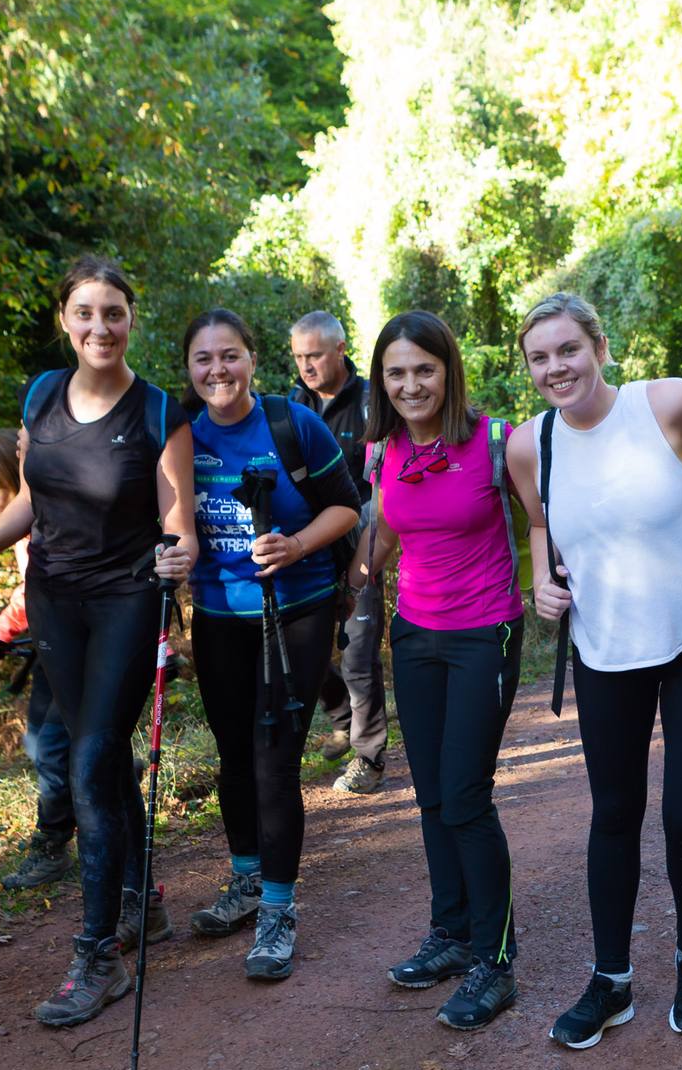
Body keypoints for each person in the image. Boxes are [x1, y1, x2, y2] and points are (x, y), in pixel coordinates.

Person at [0, 255, 196, 1028]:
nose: (99, 327)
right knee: (103, 759)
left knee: (88, 761)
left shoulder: (158, 415)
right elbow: (28, 501)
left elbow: (176, 518)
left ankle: (95, 957)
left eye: (113, 313)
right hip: (55, 602)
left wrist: (178, 553)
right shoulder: (41, 396)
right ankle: (139, 902)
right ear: (65, 319)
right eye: (85, 313)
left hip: (125, 600)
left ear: (130, 320)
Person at [505, 291, 682, 1050]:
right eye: (539, 358)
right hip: (605, 644)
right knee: (612, 815)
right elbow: (543, 524)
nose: (556, 368)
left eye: (567, 350)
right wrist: (542, 584)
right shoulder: (529, 444)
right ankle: (610, 981)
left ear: (600, 347)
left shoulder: (665, 405)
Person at [350, 310, 527, 1030]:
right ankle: (450, 936)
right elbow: (389, 525)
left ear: (447, 371)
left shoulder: (494, 441)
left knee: (464, 796)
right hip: (415, 633)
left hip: (485, 632)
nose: (410, 384)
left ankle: (495, 959)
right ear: (380, 380)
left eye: (423, 369)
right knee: (428, 796)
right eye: (396, 372)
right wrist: (358, 574)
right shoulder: (383, 450)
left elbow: (546, 520)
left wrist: (558, 580)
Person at [183, 308, 360, 981]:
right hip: (217, 612)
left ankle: (279, 911)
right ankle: (246, 878)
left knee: (273, 758)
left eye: (230, 355)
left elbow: (346, 505)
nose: (218, 370)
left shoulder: (292, 424)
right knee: (233, 755)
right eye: (204, 359)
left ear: (253, 359)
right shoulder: (180, 432)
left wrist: (295, 545)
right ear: (190, 369)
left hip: (297, 608)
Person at [0, 429, 74, 891]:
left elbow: (35, 591)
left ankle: (52, 845)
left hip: (70, 645)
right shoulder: (22, 531)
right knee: (41, 741)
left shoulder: (39, 525)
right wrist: (1, 633)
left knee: (48, 745)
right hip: (52, 646)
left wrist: (1, 633)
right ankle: (98, 778)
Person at [289, 310, 389, 796]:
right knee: (297, 649)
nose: (306, 365)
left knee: (358, 655)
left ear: (341, 349)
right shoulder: (290, 405)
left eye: (314, 355)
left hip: (362, 545)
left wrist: (369, 556)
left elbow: (385, 488)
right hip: (304, 547)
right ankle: (342, 716)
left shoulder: (374, 403)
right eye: (299, 357)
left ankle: (368, 760)